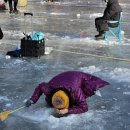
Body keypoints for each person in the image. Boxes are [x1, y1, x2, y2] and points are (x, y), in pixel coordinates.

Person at [25, 71, 109, 115]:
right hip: (63, 79)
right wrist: (32, 100)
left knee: (90, 88)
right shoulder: (49, 90)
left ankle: (92, 88)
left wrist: (67, 110)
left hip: (79, 77)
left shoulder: (76, 92)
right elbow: (40, 86)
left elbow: (84, 108)